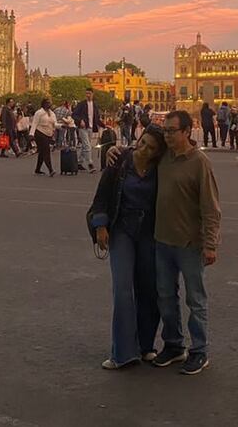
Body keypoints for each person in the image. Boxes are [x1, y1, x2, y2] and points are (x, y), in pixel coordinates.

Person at [110, 111, 221, 375]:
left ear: (188, 131)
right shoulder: (163, 158)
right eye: (166, 131)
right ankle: (173, 344)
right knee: (165, 298)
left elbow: (211, 208)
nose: (168, 136)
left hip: (189, 243)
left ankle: (199, 350)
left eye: (173, 131)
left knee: (195, 299)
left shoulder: (200, 163)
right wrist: (114, 149)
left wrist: (210, 244)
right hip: (162, 241)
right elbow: (139, 153)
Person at [88, 126, 167, 369]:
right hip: (122, 228)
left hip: (149, 232)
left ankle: (146, 346)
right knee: (122, 289)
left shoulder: (162, 168)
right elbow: (101, 197)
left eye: (150, 148)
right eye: (142, 142)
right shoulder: (120, 160)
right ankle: (122, 352)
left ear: (157, 153)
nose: (143, 149)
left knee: (148, 289)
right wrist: (101, 226)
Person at [73, 87, 102, 172]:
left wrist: (104, 125)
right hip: (83, 128)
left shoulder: (95, 105)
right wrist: (80, 120)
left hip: (91, 128)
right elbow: (74, 114)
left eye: (89, 93)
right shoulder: (81, 104)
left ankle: (79, 162)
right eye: (86, 93)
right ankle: (90, 164)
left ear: (93, 94)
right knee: (87, 146)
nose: (88, 95)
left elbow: (96, 118)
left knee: (84, 146)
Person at [29, 98, 58, 177]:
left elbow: (55, 124)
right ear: (44, 104)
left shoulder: (52, 113)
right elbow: (34, 123)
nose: (49, 104)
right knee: (46, 151)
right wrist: (31, 134)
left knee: (42, 152)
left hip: (48, 134)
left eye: (50, 103)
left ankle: (37, 169)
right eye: (48, 103)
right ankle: (50, 169)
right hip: (40, 133)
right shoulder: (39, 113)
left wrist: (63, 126)